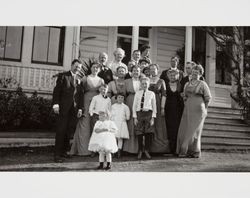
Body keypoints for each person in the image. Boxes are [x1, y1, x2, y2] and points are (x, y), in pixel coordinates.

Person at [176, 64, 212, 158]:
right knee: (184, 129)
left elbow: (208, 98)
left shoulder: (203, 84)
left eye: (197, 73)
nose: (194, 74)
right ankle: (185, 150)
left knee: (194, 131)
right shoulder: (187, 84)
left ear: (200, 74)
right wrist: (184, 98)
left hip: (199, 109)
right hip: (187, 108)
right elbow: (184, 95)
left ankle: (193, 151)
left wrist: (206, 109)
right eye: (193, 72)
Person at [70, 62, 104, 156]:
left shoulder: (101, 80)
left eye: (97, 68)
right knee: (84, 124)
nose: (95, 69)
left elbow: (103, 93)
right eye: (94, 67)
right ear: (91, 68)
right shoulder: (85, 78)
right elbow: (80, 92)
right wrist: (80, 106)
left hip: (97, 102)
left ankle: (95, 149)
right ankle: (83, 150)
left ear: (99, 69)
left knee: (95, 125)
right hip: (86, 101)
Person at [52, 59, 82, 163]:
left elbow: (80, 96)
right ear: (72, 65)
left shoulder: (79, 79)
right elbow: (57, 91)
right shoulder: (63, 76)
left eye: (79, 67)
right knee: (61, 131)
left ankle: (64, 152)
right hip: (63, 109)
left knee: (69, 132)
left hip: (73, 110)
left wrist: (80, 108)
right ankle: (57, 155)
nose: (77, 69)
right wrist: (55, 104)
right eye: (76, 66)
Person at [133, 77, 156, 159]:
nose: (144, 85)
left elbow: (154, 106)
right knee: (139, 132)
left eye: (146, 83)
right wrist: (135, 117)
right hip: (139, 113)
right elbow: (134, 105)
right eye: (142, 83)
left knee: (148, 132)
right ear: (140, 84)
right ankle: (140, 150)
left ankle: (146, 150)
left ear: (148, 84)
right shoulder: (137, 93)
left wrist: (153, 117)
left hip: (148, 114)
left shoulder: (151, 94)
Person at [148, 63, 169, 153]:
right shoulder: (146, 79)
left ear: (158, 70)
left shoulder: (161, 81)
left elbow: (164, 95)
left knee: (158, 124)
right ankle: (148, 148)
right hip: (148, 103)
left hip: (157, 102)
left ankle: (159, 148)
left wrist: (162, 107)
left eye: (154, 69)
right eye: (151, 69)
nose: (153, 70)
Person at [164, 68, 184, 155]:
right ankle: (170, 150)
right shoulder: (165, 84)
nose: (172, 76)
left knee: (176, 129)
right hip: (168, 109)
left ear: (177, 76)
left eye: (174, 75)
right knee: (169, 129)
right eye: (171, 75)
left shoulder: (180, 85)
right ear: (168, 76)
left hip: (178, 110)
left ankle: (176, 150)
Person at [122, 65, 141, 154]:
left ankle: (139, 148)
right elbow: (123, 94)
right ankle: (128, 148)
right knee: (130, 123)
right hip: (130, 101)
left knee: (138, 123)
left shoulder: (142, 81)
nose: (136, 72)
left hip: (140, 103)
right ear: (131, 72)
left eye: (137, 71)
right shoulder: (126, 81)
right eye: (134, 71)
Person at [111, 93, 130, 158]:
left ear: (124, 99)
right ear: (116, 98)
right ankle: (113, 151)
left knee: (120, 138)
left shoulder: (125, 107)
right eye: (119, 97)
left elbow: (128, 117)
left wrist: (124, 118)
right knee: (114, 138)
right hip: (114, 123)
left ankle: (119, 152)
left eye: (122, 97)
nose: (120, 99)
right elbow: (110, 116)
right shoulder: (113, 106)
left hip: (122, 123)